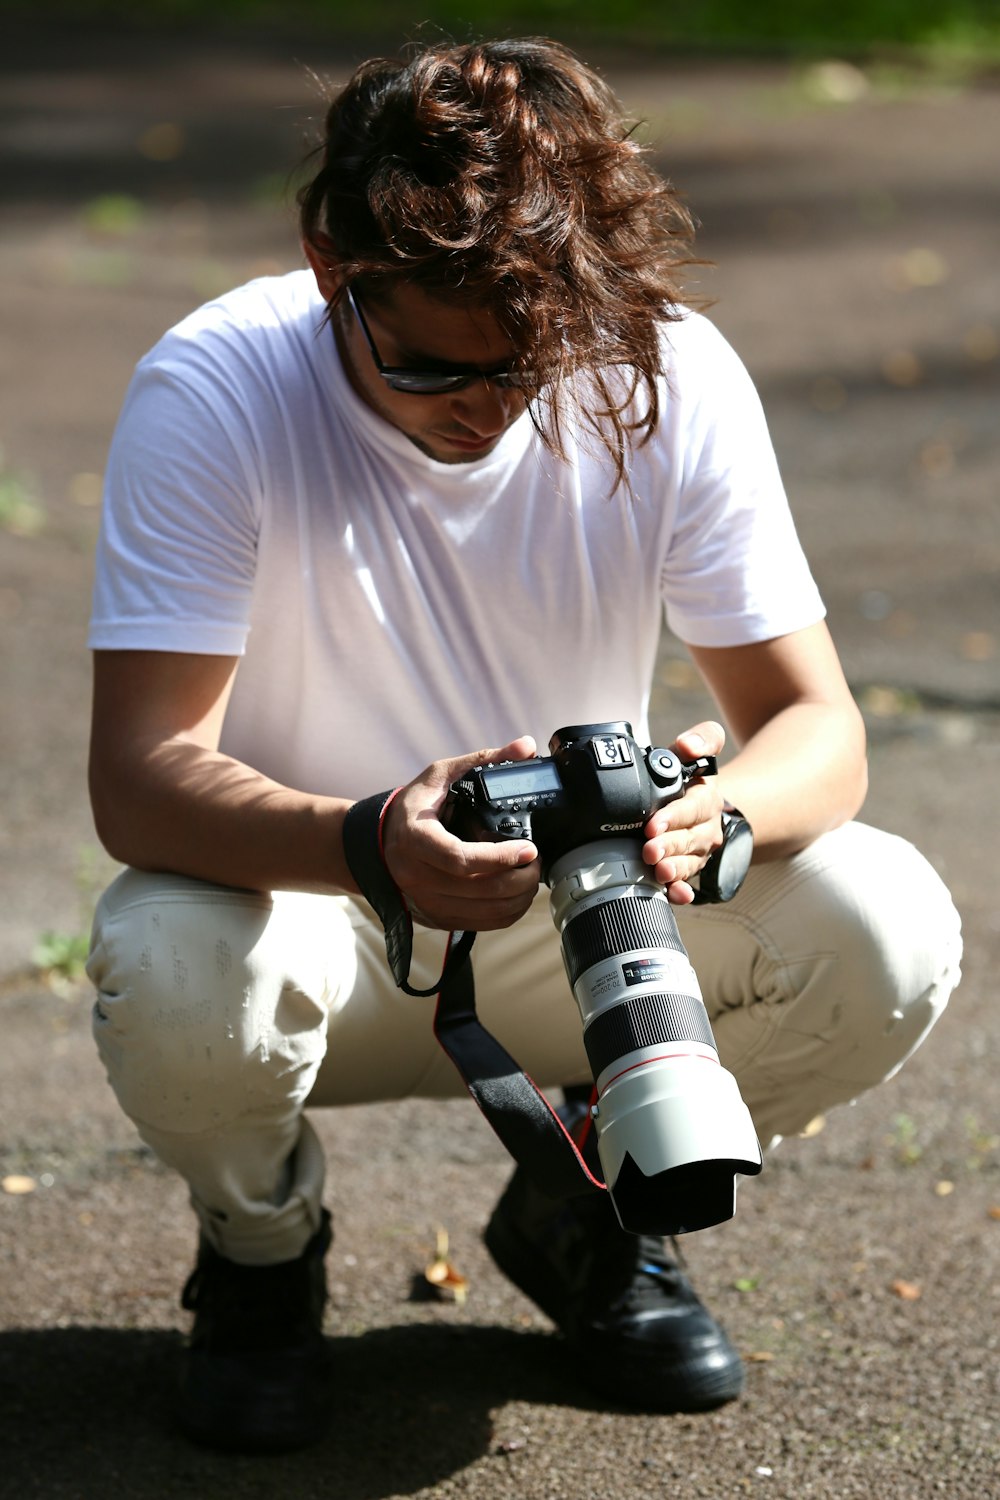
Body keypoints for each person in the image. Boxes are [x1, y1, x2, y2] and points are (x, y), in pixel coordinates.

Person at [85, 36, 962, 1453]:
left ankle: (593, 1214)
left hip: (579, 922)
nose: (490, 409)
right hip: (309, 909)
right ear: (331, 263)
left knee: (886, 924)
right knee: (169, 967)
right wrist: (365, 836)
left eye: (532, 368)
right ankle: (259, 1254)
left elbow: (817, 728)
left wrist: (725, 814)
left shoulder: (658, 362)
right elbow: (139, 775)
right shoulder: (220, 387)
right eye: (434, 367)